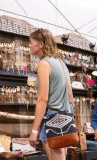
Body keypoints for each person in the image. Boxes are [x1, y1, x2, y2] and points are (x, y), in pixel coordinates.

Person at [28, 28, 73, 160]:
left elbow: (42, 98)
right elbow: (70, 95)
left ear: (41, 44)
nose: (29, 45)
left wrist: (34, 130)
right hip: (65, 115)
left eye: (31, 42)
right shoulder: (61, 63)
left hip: (53, 117)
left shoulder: (44, 64)